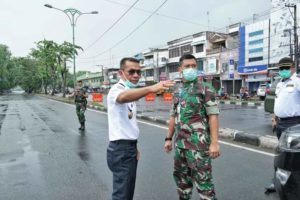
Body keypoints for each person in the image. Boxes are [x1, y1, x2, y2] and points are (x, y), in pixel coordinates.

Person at [106, 57, 175, 200]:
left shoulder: (129, 90)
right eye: (131, 72)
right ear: (121, 73)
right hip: (121, 150)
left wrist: (134, 147)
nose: (136, 75)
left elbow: (127, 125)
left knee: (126, 193)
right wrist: (151, 88)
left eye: (139, 72)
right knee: (122, 195)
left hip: (128, 148)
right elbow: (122, 97)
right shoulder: (117, 90)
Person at [164, 54, 220, 200]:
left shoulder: (205, 89)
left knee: (204, 184)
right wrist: (168, 138)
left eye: (193, 66)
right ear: (180, 69)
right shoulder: (178, 91)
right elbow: (173, 116)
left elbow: (213, 116)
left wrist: (214, 143)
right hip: (180, 146)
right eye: (187, 66)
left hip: (198, 146)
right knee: (182, 183)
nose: (191, 69)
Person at [265, 57, 300, 193]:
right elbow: (277, 102)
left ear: (293, 68)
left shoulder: (297, 82)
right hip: (281, 124)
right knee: (281, 155)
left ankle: (292, 186)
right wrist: (274, 119)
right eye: (281, 68)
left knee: (291, 157)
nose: (283, 71)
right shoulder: (280, 83)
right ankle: (279, 181)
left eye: (286, 68)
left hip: (294, 124)